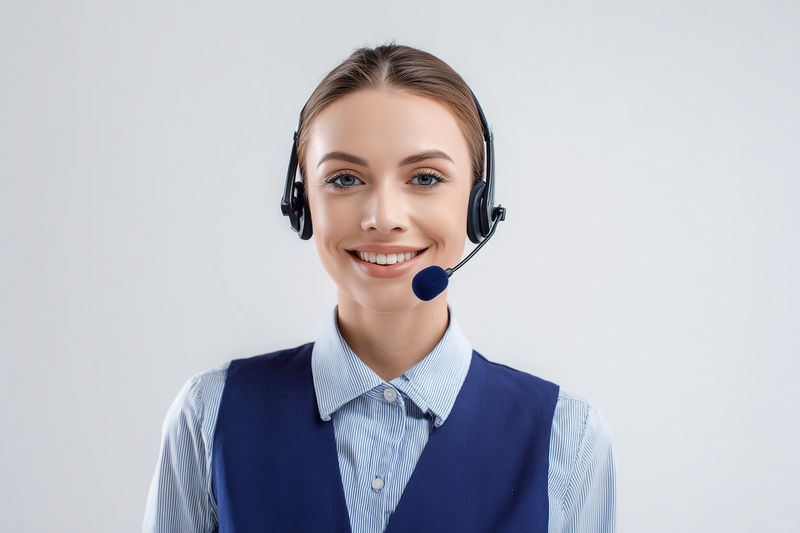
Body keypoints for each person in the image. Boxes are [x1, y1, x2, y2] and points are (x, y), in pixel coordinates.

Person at [143, 42, 616, 533]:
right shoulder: (209, 418)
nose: (383, 218)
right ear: (301, 203)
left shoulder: (570, 437)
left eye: (426, 178)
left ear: (478, 204)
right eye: (345, 179)